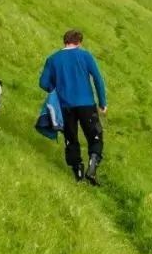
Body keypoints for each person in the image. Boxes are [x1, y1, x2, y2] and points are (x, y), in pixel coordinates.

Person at [39, 29, 107, 185]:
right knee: (95, 135)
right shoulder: (85, 55)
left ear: (65, 41)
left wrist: (55, 89)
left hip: (65, 106)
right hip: (86, 105)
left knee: (71, 138)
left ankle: (77, 171)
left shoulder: (53, 59)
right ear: (79, 42)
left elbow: (43, 83)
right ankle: (92, 165)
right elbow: (98, 79)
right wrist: (102, 103)